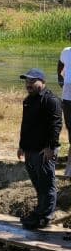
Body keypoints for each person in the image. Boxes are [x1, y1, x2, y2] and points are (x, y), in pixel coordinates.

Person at [17, 68, 62, 229]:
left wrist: (51, 147)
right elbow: (25, 125)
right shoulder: (28, 100)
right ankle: (39, 212)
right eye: (26, 81)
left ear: (42, 82)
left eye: (32, 81)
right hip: (30, 149)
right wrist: (21, 145)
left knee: (47, 185)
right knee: (38, 184)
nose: (28, 84)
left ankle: (45, 217)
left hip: (44, 150)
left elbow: (56, 125)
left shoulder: (51, 100)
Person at [57, 29, 71, 177]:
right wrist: (60, 79)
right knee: (70, 126)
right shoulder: (66, 51)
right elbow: (60, 64)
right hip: (68, 96)